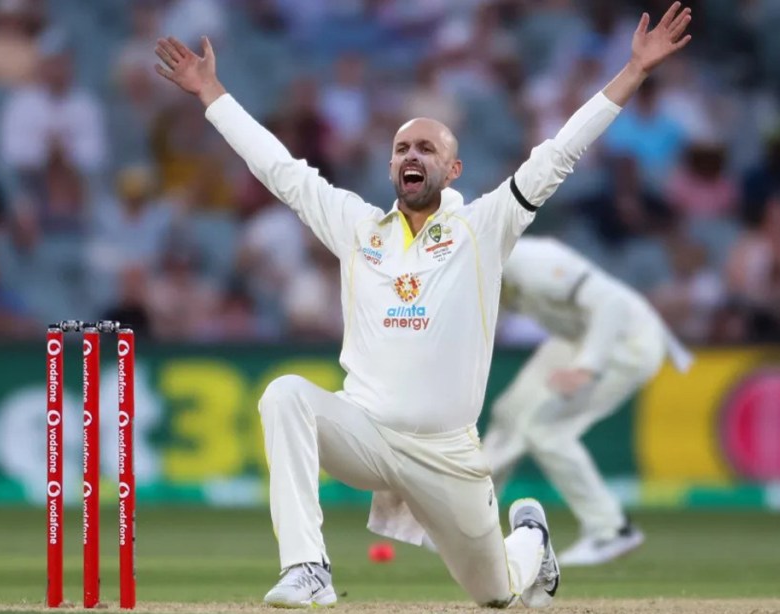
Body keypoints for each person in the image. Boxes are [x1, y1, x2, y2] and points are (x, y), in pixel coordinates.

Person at [154, 3, 691, 608]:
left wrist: (633, 72)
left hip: (446, 452)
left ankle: (532, 540)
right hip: (367, 432)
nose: (412, 155)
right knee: (285, 395)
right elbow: (281, 171)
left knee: (498, 595)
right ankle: (309, 568)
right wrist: (212, 92)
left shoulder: (484, 227)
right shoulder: (358, 228)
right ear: (390, 166)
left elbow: (558, 154)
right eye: (403, 147)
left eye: (427, 148)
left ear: (453, 167)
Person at [483, 236, 693, 567]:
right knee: (509, 413)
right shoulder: (487, 272)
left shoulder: (532, 262)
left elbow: (610, 304)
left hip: (628, 342)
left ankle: (611, 531)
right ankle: (471, 520)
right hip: (577, 337)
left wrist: (587, 366)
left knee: (544, 429)